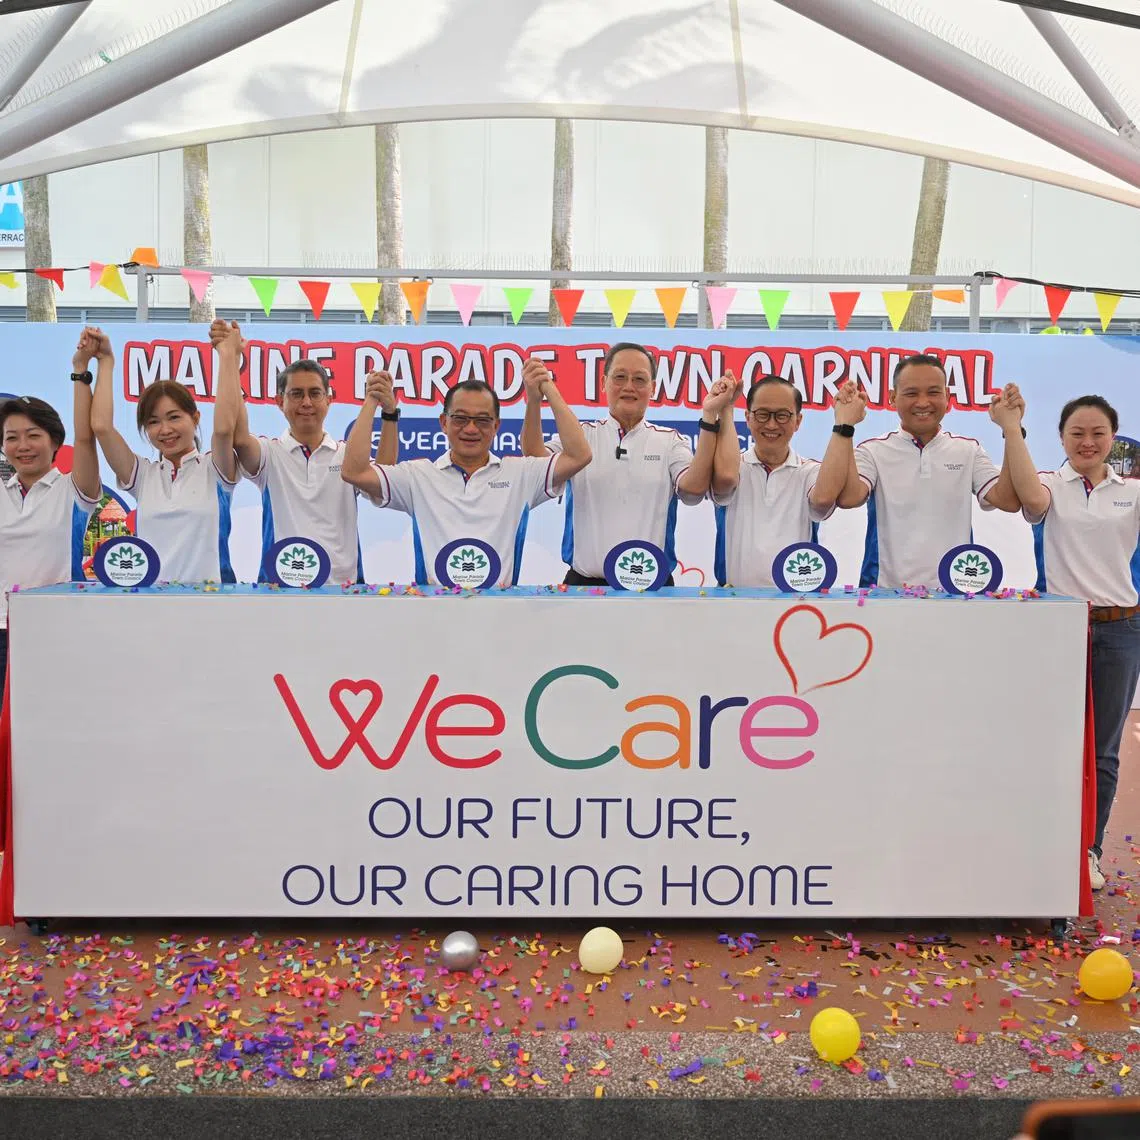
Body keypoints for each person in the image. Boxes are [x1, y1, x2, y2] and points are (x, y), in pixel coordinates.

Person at [995, 386, 1140, 892]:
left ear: (1113, 437)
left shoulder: (1132, 491)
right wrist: (1011, 426)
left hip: (1121, 628)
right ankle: (1043, 845)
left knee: (1103, 751)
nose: (1087, 442)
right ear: (1061, 437)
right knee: (1050, 742)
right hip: (1060, 627)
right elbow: (1030, 503)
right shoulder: (1049, 485)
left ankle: (1089, 851)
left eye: (1098, 433)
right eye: (1077, 433)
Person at [342, 362, 591, 586]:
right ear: (444, 422)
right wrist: (372, 400)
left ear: (496, 426)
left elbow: (579, 455)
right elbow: (354, 471)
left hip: (500, 611)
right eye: (460, 419)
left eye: (482, 420)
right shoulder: (418, 476)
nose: (471, 429)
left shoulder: (520, 474)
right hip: (433, 611)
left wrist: (546, 388)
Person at [210, 320, 399, 585]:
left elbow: (384, 478)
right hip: (280, 590)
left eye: (315, 393)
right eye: (296, 394)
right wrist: (230, 357)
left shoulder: (347, 456)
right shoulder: (270, 454)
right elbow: (238, 438)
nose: (307, 402)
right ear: (280, 402)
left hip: (342, 592)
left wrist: (389, 413)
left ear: (329, 400)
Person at [519, 342, 712, 586]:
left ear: (653, 388)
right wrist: (534, 401)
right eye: (620, 377)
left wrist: (710, 418)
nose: (629, 387)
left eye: (639, 379)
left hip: (653, 586)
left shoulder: (670, 441)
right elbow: (536, 461)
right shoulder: (580, 437)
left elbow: (693, 490)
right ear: (603, 382)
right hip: (585, 585)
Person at [841, 354, 1021, 588]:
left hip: (955, 593)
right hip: (885, 593)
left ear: (947, 396)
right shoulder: (872, 451)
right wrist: (845, 424)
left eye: (933, 392)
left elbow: (1007, 501)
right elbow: (849, 498)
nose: (923, 402)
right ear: (893, 398)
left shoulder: (968, 450)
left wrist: (1011, 428)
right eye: (911, 393)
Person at [0, 326, 103, 692]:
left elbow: (87, 436)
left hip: (54, 627)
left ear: (55, 441)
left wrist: (81, 370)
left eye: (33, 436)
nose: (22, 446)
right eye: (11, 438)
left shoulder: (73, 490)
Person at [90, 328, 237, 582]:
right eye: (153, 422)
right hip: (151, 600)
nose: (165, 430)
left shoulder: (215, 469)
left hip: (211, 599)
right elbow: (102, 427)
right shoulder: (143, 476)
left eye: (174, 417)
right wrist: (105, 361)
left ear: (195, 418)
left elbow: (224, 429)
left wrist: (227, 355)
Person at [711, 375, 867, 587]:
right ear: (747, 417)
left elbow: (823, 499)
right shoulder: (731, 468)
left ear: (798, 421)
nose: (772, 424)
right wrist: (725, 408)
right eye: (762, 414)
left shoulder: (809, 472)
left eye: (782, 416)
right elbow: (724, 479)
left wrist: (843, 423)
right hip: (733, 598)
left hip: (795, 600)